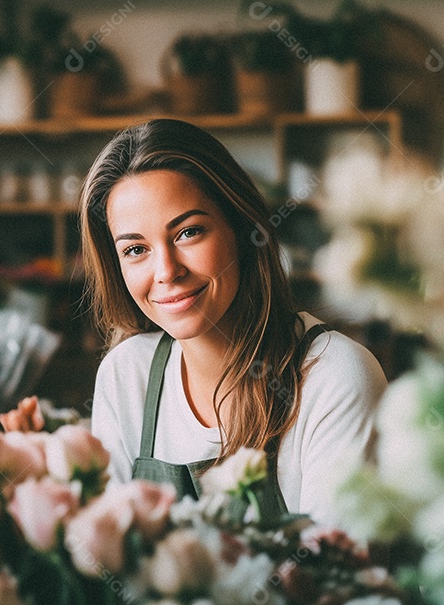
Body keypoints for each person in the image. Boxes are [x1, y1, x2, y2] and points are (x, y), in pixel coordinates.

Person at [81, 118, 387, 524]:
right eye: (136, 249)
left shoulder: (335, 377)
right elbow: (110, 549)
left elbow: (336, 562)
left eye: (188, 232)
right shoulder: (126, 376)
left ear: (242, 229)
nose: (167, 271)